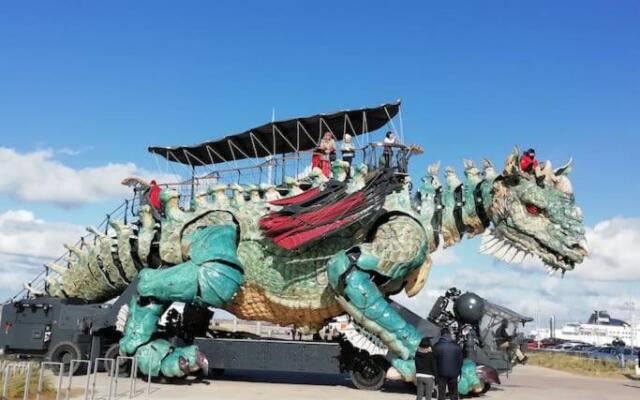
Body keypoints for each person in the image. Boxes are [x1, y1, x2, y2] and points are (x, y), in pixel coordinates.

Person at [434, 328, 463, 400]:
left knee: (441, 394)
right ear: (449, 334)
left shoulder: (437, 346)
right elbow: (460, 361)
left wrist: (435, 373)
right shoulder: (457, 347)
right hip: (453, 374)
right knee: (453, 394)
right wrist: (458, 371)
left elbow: (433, 361)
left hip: (441, 374)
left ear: (441, 335)